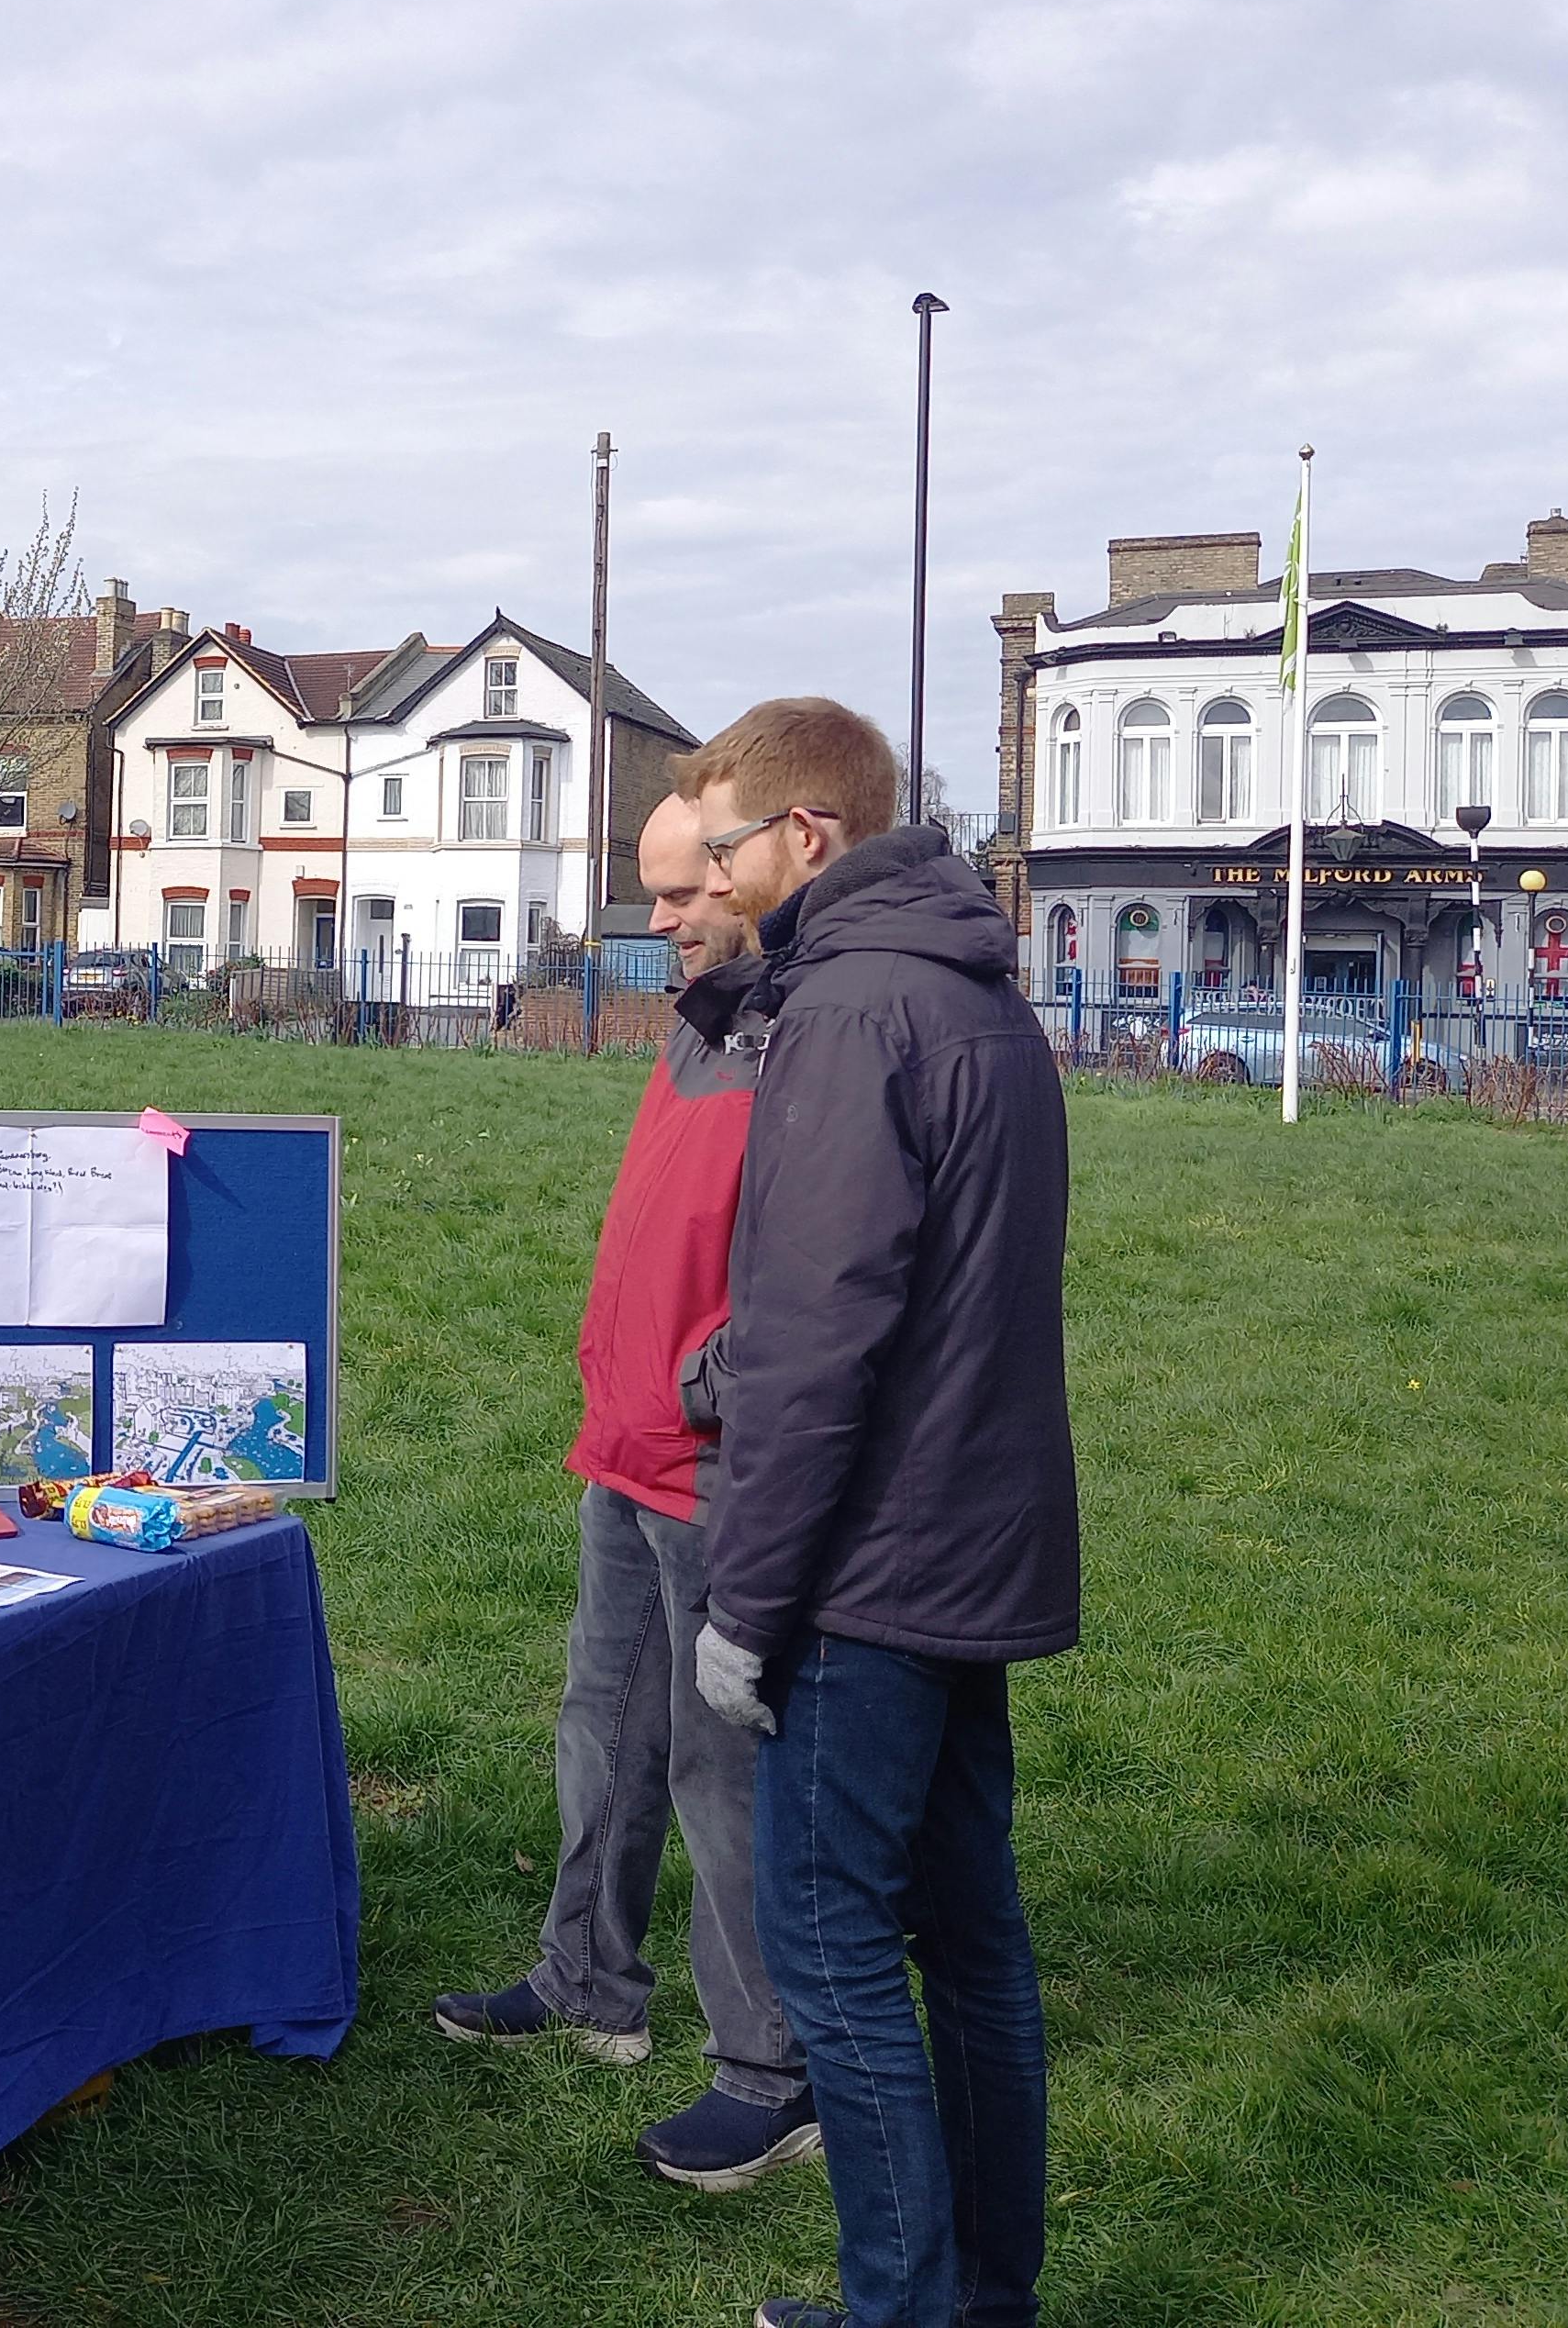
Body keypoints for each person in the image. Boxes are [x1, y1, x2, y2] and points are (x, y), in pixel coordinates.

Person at [675, 698, 1078, 2328]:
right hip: (968, 1535)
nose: (710, 874)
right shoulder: (976, 993)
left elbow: (823, 1331)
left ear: (808, 840)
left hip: (867, 1567)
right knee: (972, 1938)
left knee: (830, 1946)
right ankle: (981, 2297)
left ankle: (904, 2309)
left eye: (724, 848)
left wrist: (749, 1610)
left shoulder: (850, 1012)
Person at [431, 795, 819, 2192]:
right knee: (600, 1730)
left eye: (676, 897)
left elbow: (823, 1264)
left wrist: (709, 1385)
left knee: (722, 1774)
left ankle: (773, 2069)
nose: (654, 928)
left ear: (755, 864)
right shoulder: (702, 1024)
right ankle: (587, 1979)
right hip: (626, 1444)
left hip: (717, 1468)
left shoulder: (812, 1034)